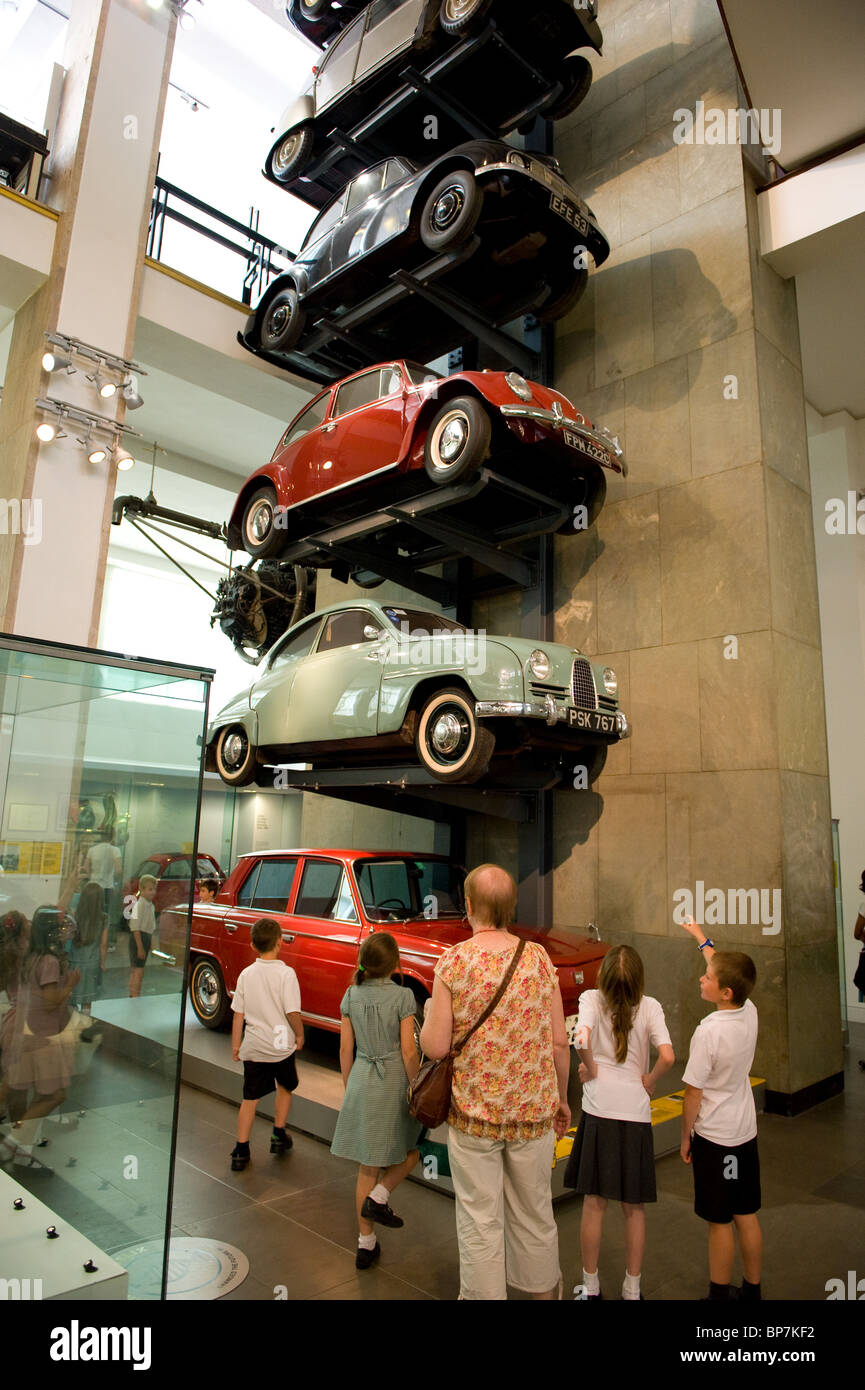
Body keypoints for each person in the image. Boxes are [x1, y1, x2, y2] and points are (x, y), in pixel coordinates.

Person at [420, 863, 570, 1300]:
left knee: (479, 1220)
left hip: (474, 1119)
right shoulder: (540, 959)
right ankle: (543, 1293)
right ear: (511, 906)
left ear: (467, 907)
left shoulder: (453, 962)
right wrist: (561, 1099)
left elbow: (435, 1047)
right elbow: (560, 1043)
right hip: (533, 1115)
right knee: (535, 1213)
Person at [565, 944, 674, 1301]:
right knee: (634, 1207)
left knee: (594, 1203)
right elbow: (669, 1056)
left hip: (599, 1112)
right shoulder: (652, 1006)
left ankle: (591, 1286)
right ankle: (632, 1289)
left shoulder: (591, 999)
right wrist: (650, 1078)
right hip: (635, 1115)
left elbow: (579, 1037)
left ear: (604, 977)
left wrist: (591, 1067)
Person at [680, 916, 762, 1301]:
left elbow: (693, 1093)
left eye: (707, 978)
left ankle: (718, 1294)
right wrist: (700, 937)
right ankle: (752, 1289)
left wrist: (686, 1136)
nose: (702, 978)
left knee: (720, 1220)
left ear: (724, 992)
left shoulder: (709, 1032)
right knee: (746, 1213)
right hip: (744, 1132)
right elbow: (719, 965)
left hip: (715, 1138)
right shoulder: (749, 1010)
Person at [330, 932, 421, 1270]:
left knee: (366, 1166)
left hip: (362, 1078)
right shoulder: (403, 996)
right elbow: (410, 1051)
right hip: (394, 1080)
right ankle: (380, 1196)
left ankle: (365, 1243)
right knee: (412, 1152)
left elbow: (344, 1049)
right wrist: (416, 1087)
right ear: (395, 964)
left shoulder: (350, 995)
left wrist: (349, 1085)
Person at [230, 917, 303, 1172]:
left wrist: (236, 1046)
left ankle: (240, 1150)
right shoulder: (286, 974)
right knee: (285, 1087)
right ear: (280, 942)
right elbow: (292, 1011)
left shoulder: (246, 975)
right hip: (281, 1047)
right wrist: (300, 1034)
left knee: (249, 1098)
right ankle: (278, 1134)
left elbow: (238, 1014)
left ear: (252, 945)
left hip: (254, 1047)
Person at [67, 882, 108, 1015]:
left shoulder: (74, 915)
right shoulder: (104, 918)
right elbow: (103, 944)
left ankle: (72, 1025)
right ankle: (85, 1023)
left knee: (72, 997)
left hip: (74, 962)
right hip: (92, 963)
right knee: (87, 1000)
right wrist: (102, 963)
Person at [128, 874, 157, 998]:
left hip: (145, 938)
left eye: (154, 889)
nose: (153, 892)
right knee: (137, 970)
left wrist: (151, 944)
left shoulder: (151, 906)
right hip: (137, 939)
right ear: (142, 890)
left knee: (140, 970)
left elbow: (151, 928)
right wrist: (140, 947)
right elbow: (135, 928)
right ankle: (134, 995)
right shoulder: (139, 905)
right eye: (150, 889)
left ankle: (135, 993)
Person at [84, 832, 121, 919]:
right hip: (107, 886)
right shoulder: (115, 850)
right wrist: (115, 881)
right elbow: (118, 870)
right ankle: (102, 931)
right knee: (104, 914)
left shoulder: (92, 850)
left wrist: (91, 877)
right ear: (113, 836)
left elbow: (86, 868)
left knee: (91, 912)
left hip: (93, 885)